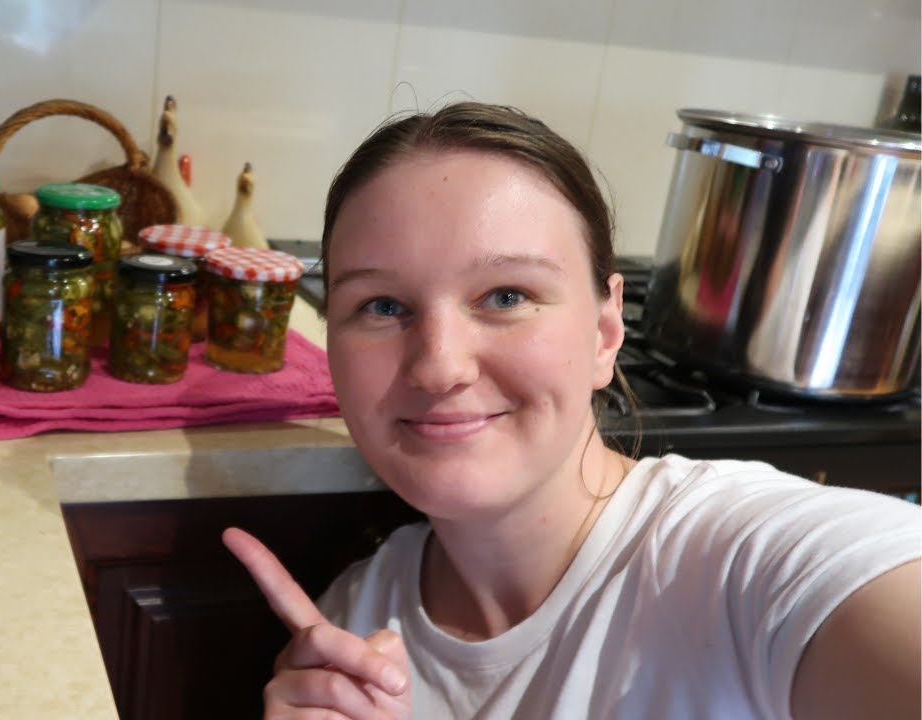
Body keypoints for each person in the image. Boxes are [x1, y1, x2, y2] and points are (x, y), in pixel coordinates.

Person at [221, 102, 922, 719]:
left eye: (506, 296)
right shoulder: (350, 627)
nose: (438, 366)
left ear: (605, 332)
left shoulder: (741, 562)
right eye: (382, 306)